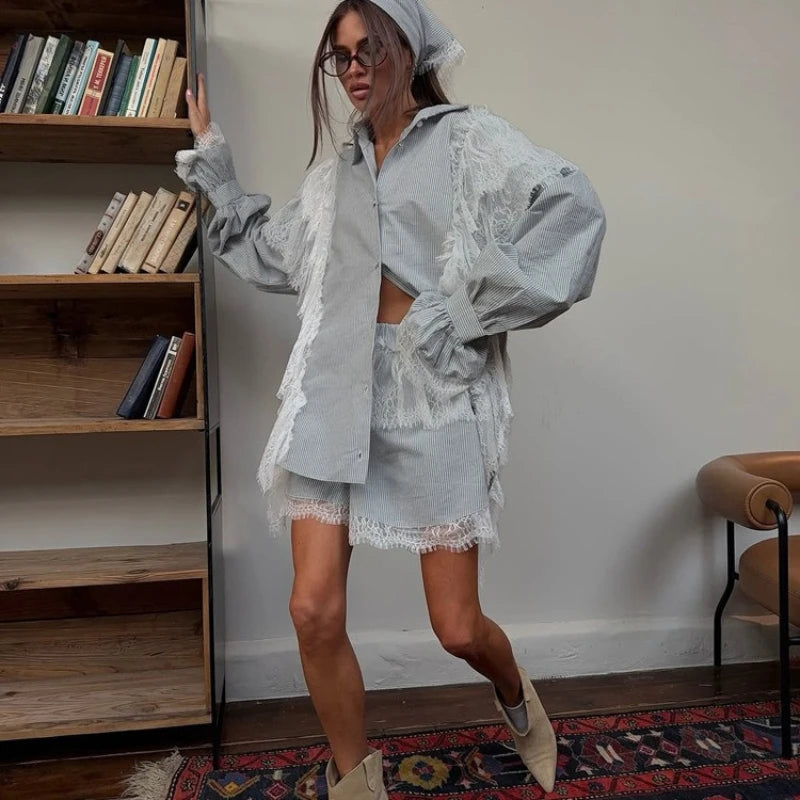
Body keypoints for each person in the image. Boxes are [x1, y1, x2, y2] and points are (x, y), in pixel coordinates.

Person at [175, 1, 606, 797]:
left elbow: (573, 211)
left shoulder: (468, 141)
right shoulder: (334, 175)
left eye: (367, 48)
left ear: (409, 49)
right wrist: (217, 168)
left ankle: (518, 699)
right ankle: (355, 782)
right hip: (331, 389)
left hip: (427, 397)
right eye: (339, 56)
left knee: (457, 628)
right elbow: (276, 255)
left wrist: (465, 312)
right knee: (312, 610)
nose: (353, 69)